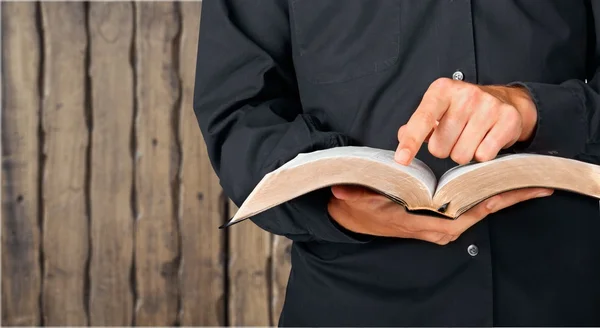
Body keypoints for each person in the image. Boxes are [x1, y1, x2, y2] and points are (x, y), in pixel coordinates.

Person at [193, 1, 600, 326]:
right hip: (354, 304)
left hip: (564, 299)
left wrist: (534, 110)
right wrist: (334, 206)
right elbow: (237, 112)